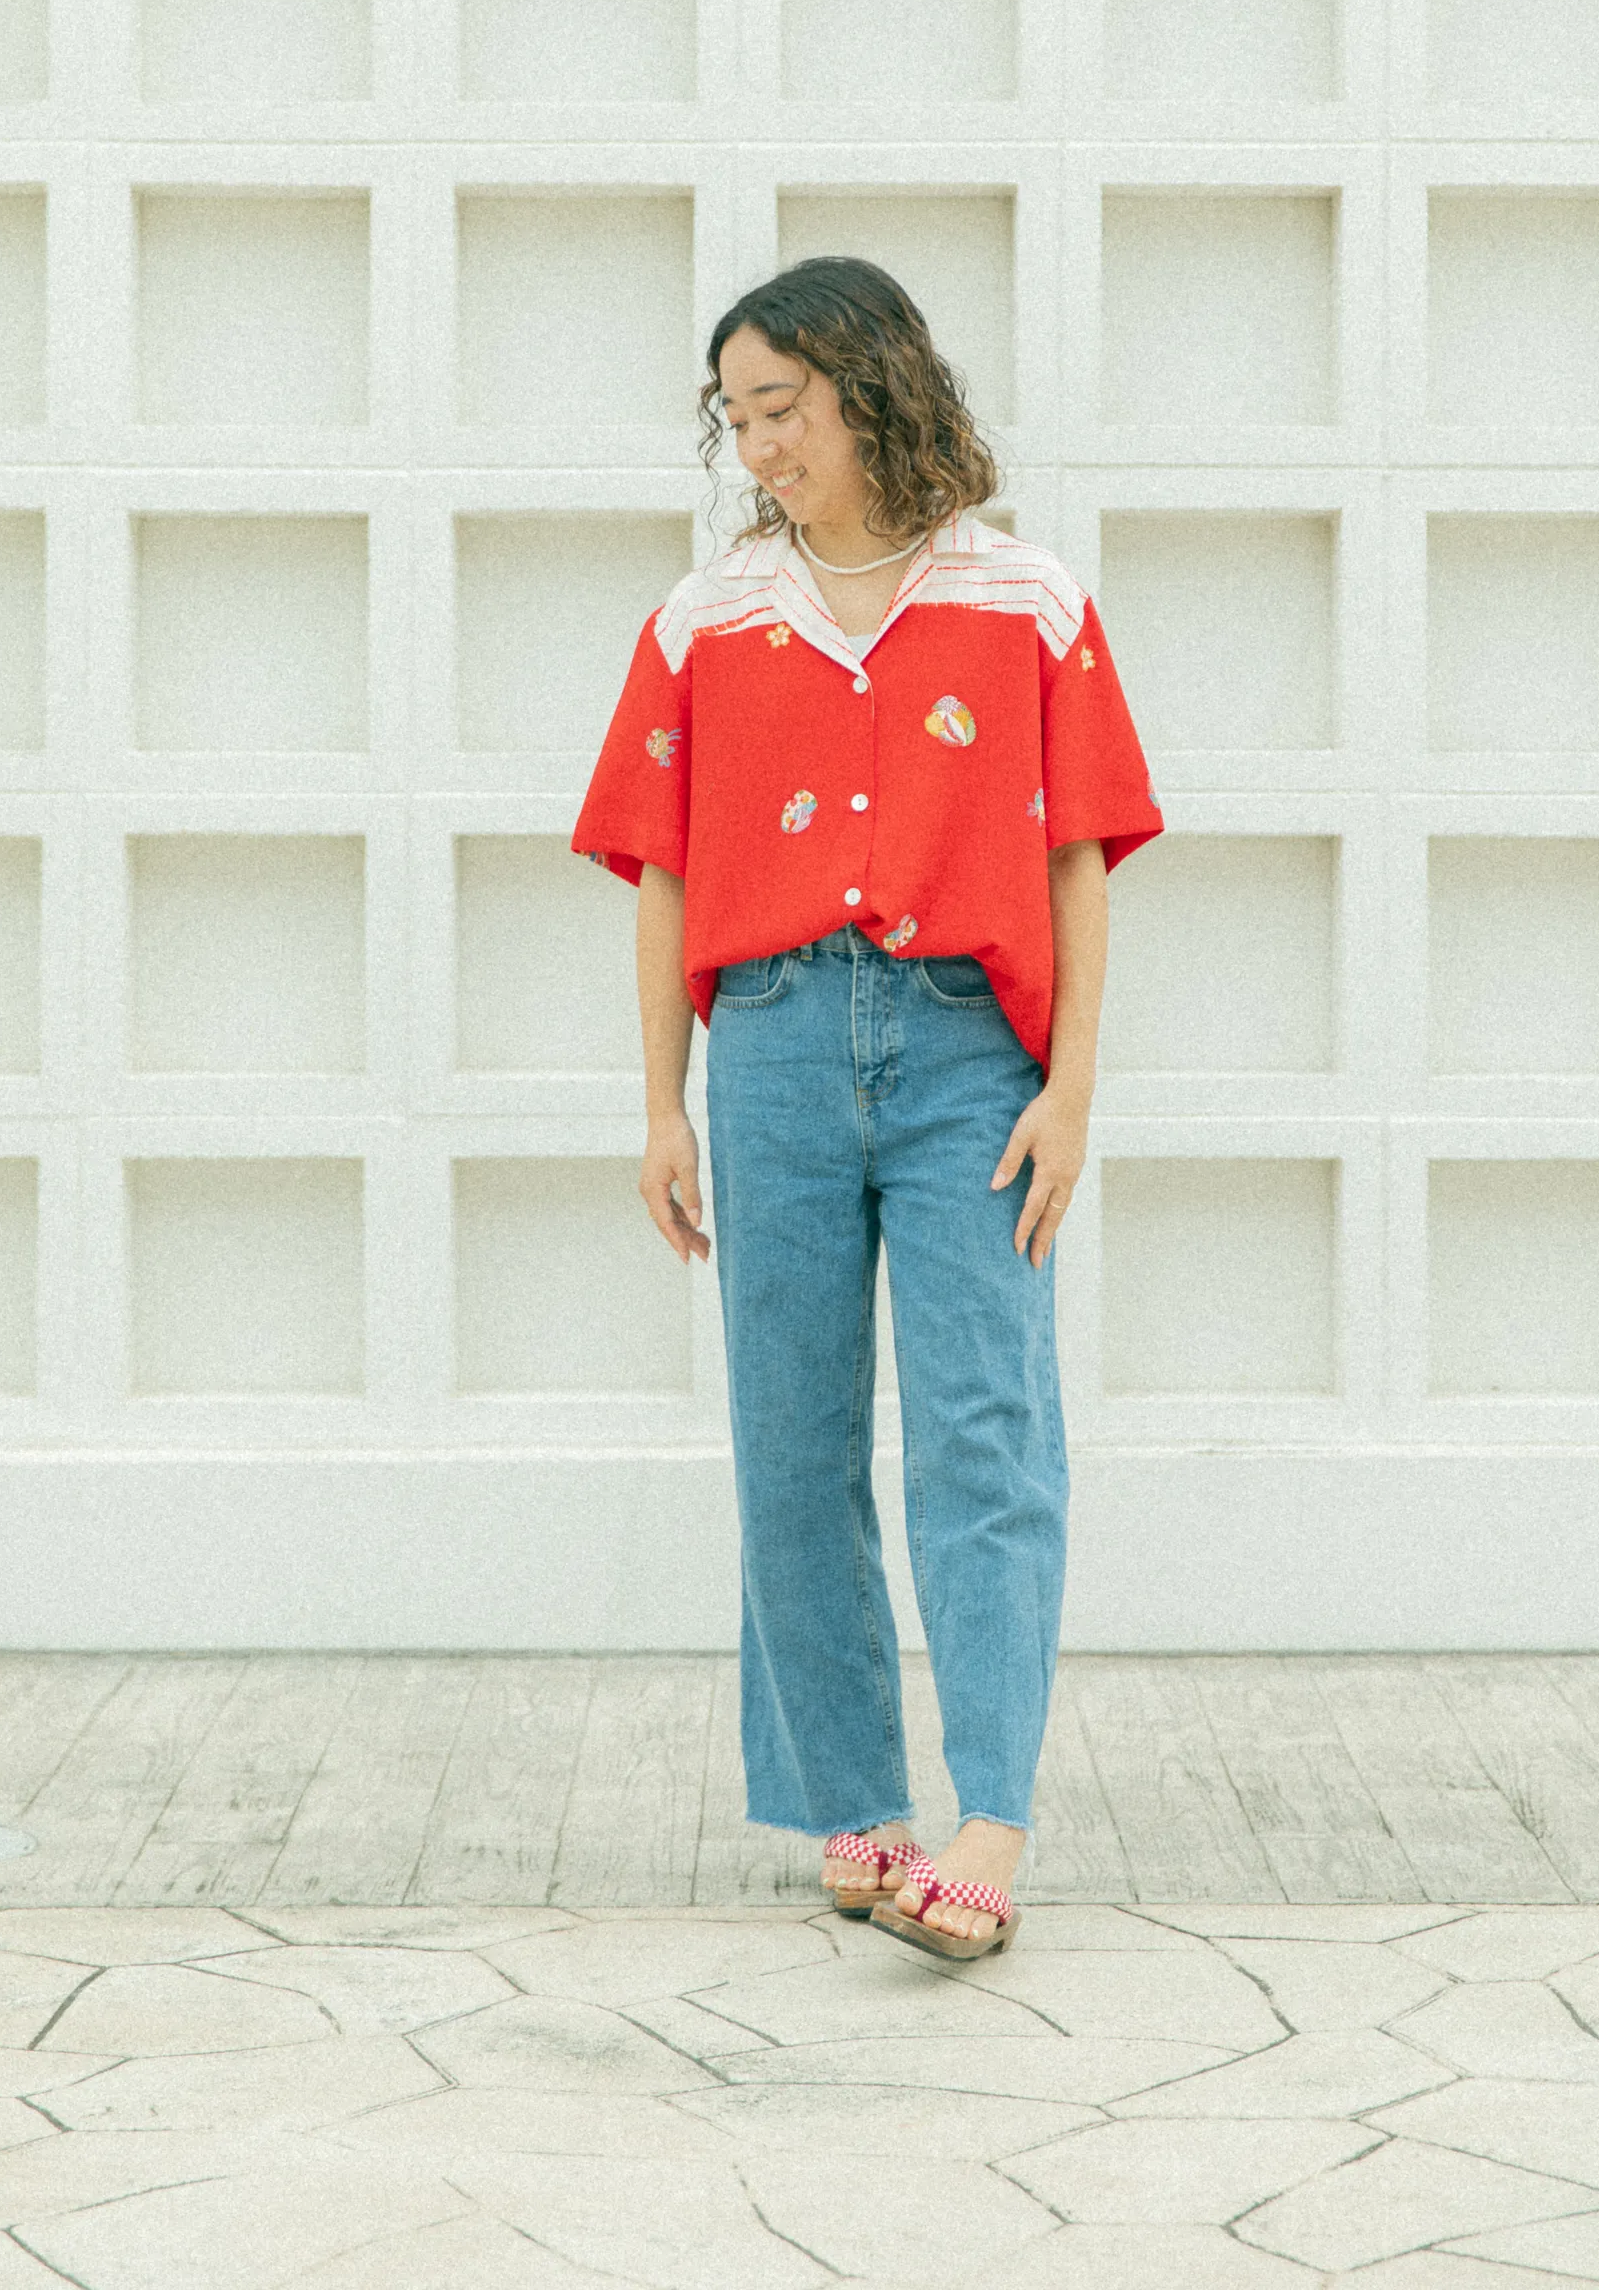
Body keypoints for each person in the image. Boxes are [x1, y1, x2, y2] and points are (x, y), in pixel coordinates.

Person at [571, 257, 1163, 1959]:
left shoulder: (1024, 598)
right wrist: (662, 1107)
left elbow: (1078, 856)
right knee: (793, 1439)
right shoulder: (709, 617)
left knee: (985, 1427)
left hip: (969, 1052)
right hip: (764, 1050)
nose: (759, 445)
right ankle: (854, 1805)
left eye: (785, 408)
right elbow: (664, 875)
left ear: (873, 389)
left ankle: (990, 1816)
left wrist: (1072, 1091)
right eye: (737, 416)